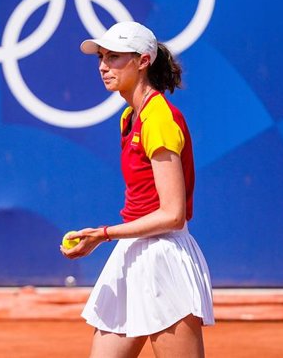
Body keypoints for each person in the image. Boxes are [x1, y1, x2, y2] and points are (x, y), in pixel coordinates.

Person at [61, 21, 214, 357]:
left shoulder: (158, 118)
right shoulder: (130, 116)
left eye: (114, 57)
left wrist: (103, 234)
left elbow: (172, 215)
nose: (103, 65)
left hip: (164, 259)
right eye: (102, 57)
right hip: (131, 253)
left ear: (143, 60)